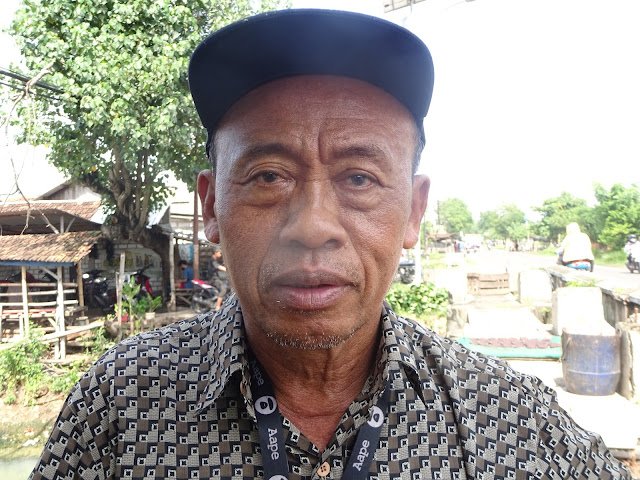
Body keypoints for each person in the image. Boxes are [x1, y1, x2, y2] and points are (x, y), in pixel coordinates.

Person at [30, 9, 630, 480]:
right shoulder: (121, 403)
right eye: (268, 176)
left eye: (359, 179)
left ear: (413, 211)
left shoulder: (510, 420)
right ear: (211, 206)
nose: (313, 226)